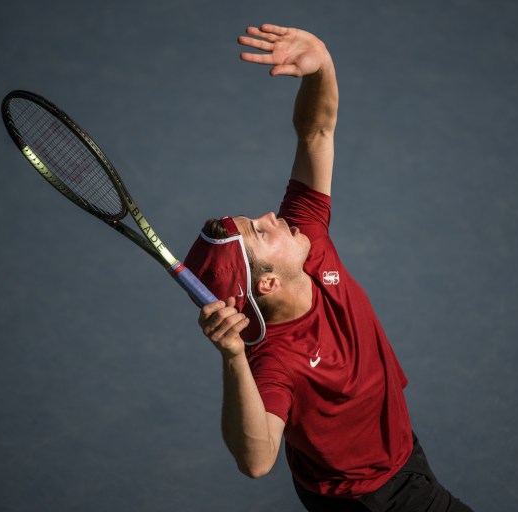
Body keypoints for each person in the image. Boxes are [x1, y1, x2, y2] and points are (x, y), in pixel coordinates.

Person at [183, 24, 473, 512]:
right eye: (260, 231)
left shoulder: (306, 242)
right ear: (269, 281)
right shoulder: (274, 362)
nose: (273, 216)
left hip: (399, 456)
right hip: (372, 500)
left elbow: (316, 131)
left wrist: (321, 66)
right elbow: (256, 462)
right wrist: (234, 358)